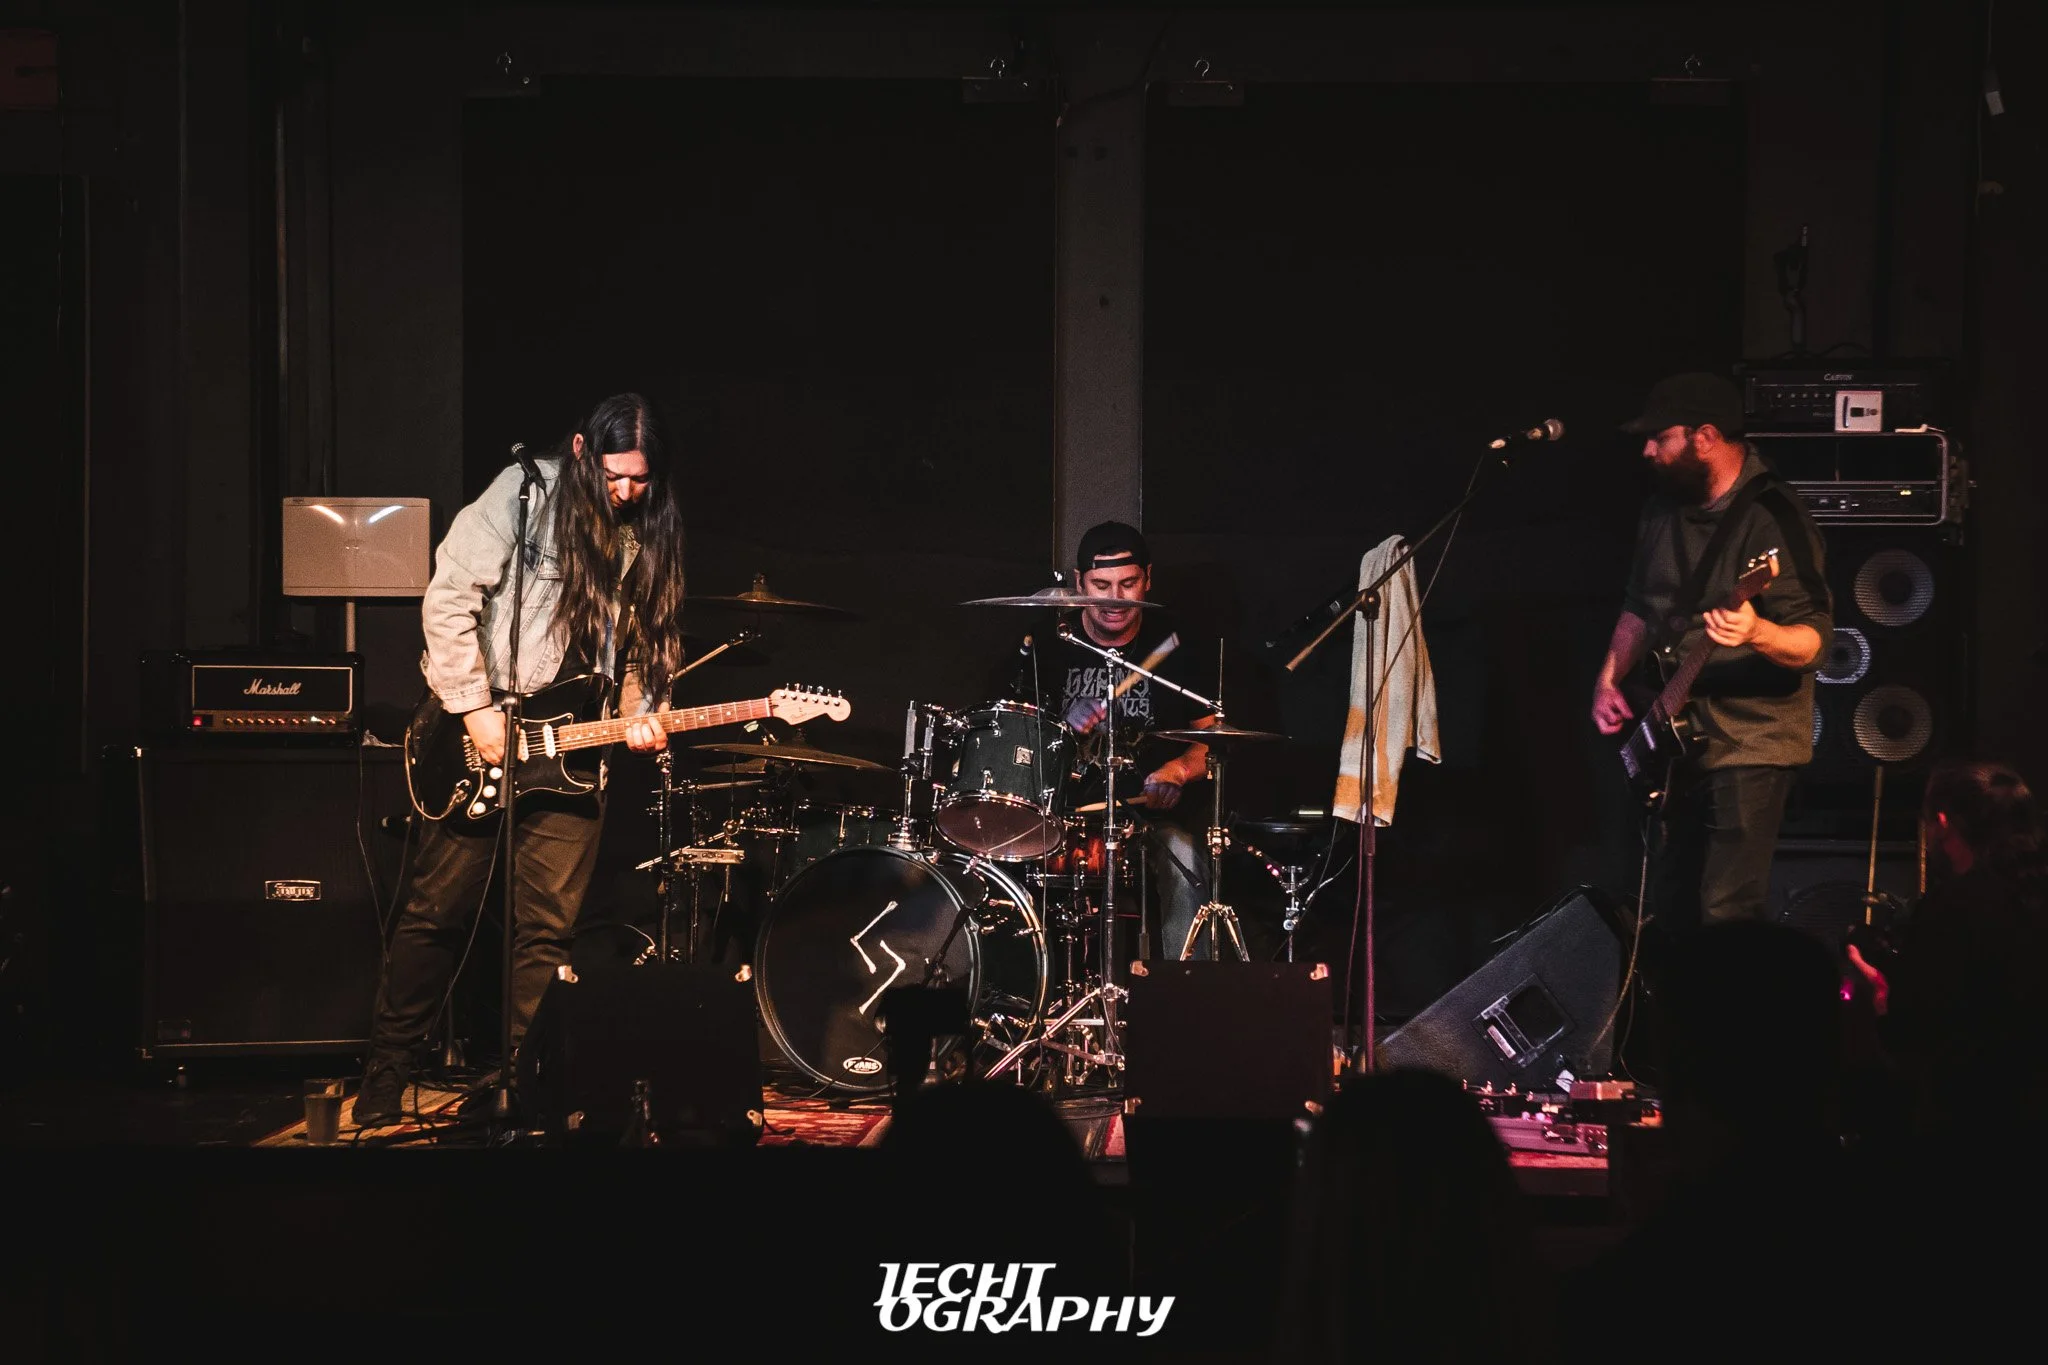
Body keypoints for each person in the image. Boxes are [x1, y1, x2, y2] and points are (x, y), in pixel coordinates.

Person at [355, 393, 689, 1126]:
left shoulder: (648, 536)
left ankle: (529, 1087)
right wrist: (473, 707)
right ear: (581, 451)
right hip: (483, 731)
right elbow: (450, 597)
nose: (624, 491)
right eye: (612, 475)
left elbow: (642, 653)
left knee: (547, 933)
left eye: (639, 479)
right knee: (436, 914)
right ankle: (386, 1074)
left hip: (572, 753)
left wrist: (641, 713)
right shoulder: (524, 491)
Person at [1592, 372, 1833, 934]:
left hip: (1751, 738)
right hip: (1679, 734)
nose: (1647, 450)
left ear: (1704, 437)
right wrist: (1607, 679)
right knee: (1667, 910)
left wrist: (1757, 632)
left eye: (1660, 437)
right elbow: (1640, 606)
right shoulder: (1662, 509)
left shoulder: (1774, 516)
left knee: (1727, 912)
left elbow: (1816, 640)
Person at [990, 521, 1216, 958]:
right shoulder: (1046, 644)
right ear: (1079, 582)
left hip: (1148, 820)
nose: (1115, 599)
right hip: (1062, 817)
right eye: (1101, 585)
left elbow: (1213, 740)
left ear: (1147, 578)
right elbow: (1015, 745)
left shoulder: (1176, 644)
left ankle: (1187, 994)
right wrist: (1061, 725)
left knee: (1185, 860)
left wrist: (1179, 770)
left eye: (1128, 584)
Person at [1847, 761, 2048, 1132]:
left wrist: (1879, 996)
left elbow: (1918, 1032)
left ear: (1941, 823)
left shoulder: (1955, 905)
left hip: (1973, 1117)